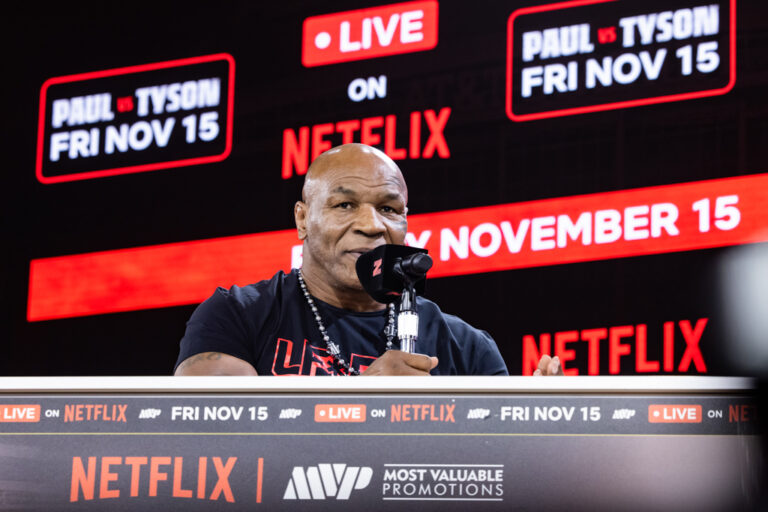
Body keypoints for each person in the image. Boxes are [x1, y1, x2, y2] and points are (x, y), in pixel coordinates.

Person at [174, 143, 563, 376]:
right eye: (345, 204)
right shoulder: (235, 316)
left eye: (390, 209)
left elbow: (499, 478)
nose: (372, 225)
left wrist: (537, 431)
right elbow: (213, 447)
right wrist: (362, 406)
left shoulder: (466, 347)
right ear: (302, 219)